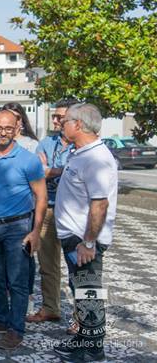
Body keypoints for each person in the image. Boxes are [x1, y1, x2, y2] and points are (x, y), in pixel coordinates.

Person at [0, 110, 47, 350]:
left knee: (17, 281)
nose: (3, 132)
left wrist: (36, 231)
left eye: (8, 128)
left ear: (17, 129)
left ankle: (15, 329)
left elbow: (41, 197)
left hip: (18, 227)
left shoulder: (29, 160)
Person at [51, 103, 117, 362]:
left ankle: (93, 350)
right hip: (74, 238)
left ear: (78, 124)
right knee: (81, 293)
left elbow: (100, 204)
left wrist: (89, 242)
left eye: (65, 120)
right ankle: (83, 340)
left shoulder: (96, 158)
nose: (61, 124)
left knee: (89, 295)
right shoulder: (81, 153)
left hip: (84, 241)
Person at [27, 99, 76, 328]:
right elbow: (37, 173)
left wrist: (52, 171)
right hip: (47, 209)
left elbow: (76, 174)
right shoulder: (47, 142)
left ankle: (85, 317)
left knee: (79, 266)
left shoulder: (83, 144)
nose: (54, 120)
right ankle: (50, 308)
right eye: (54, 116)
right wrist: (55, 171)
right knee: (47, 264)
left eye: (60, 117)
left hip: (73, 212)